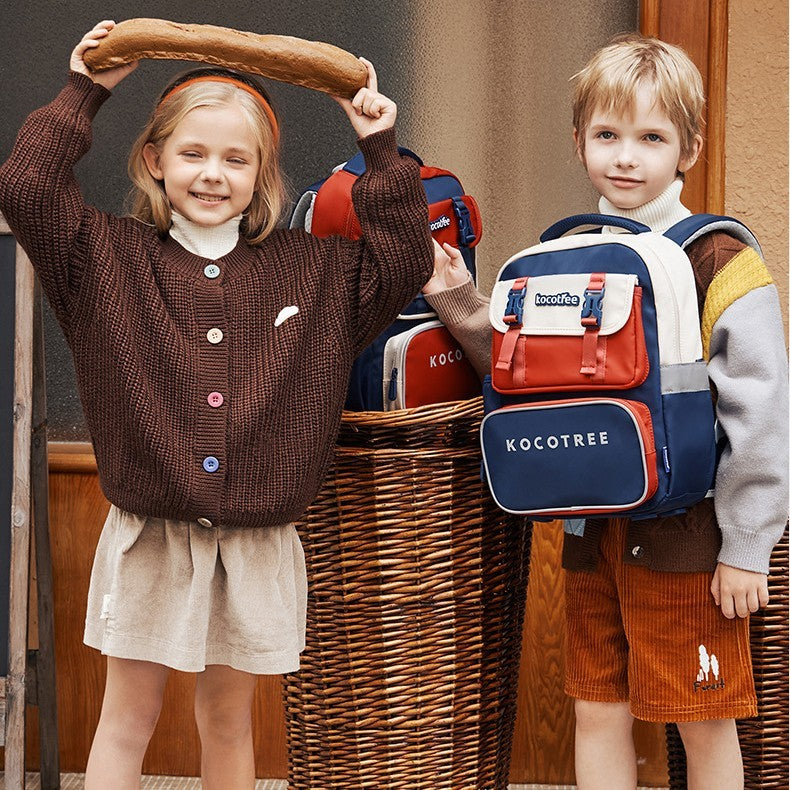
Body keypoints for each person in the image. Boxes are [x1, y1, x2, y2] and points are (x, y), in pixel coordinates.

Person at [0, 19, 434, 789]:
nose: (212, 173)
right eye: (193, 153)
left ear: (264, 173)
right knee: (127, 718)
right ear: (154, 160)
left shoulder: (318, 274)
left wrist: (381, 147)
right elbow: (28, 187)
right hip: (150, 537)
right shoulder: (101, 258)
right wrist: (84, 91)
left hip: (256, 541)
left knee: (228, 721)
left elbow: (404, 255)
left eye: (236, 159)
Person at [423, 33, 788, 790]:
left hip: (693, 542)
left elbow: (761, 412)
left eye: (651, 138)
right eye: (607, 135)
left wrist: (747, 544)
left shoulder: (721, 257)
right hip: (592, 533)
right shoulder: (568, 255)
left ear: (688, 147)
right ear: (580, 142)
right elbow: (517, 367)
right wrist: (458, 298)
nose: (627, 157)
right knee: (598, 710)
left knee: (703, 717)